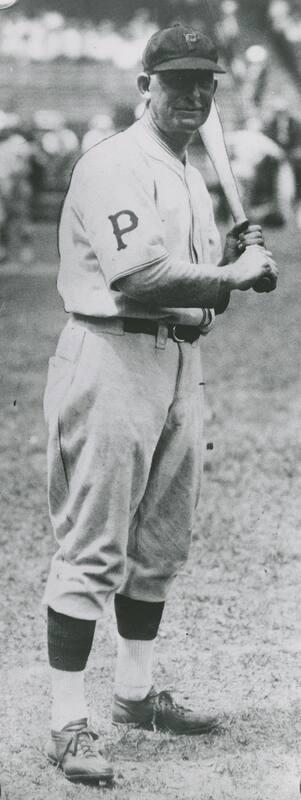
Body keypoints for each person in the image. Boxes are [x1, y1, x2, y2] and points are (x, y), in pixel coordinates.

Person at [43, 23, 278, 786]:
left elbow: (201, 286)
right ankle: (65, 723)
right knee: (92, 545)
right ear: (144, 86)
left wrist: (228, 274)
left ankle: (135, 694)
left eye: (203, 79)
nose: (193, 93)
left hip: (179, 358)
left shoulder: (185, 170)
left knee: (162, 544)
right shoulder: (116, 162)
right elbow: (138, 275)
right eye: (176, 80)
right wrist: (236, 275)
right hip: (110, 354)